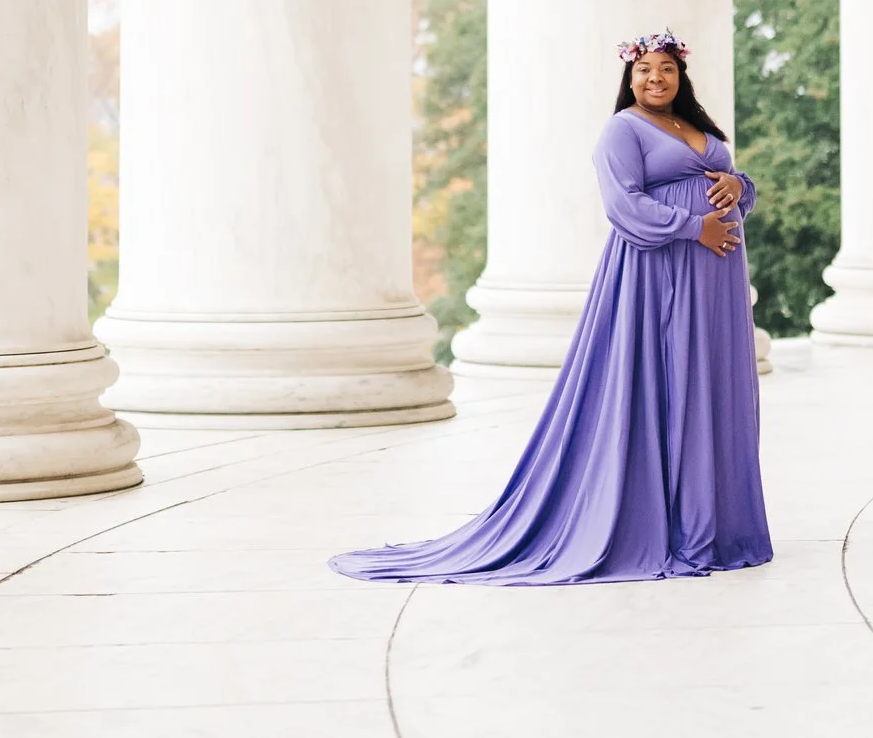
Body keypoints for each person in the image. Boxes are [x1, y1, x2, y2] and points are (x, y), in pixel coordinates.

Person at [328, 30, 773, 585]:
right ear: (628, 78)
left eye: (665, 69)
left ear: (681, 76)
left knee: (710, 385)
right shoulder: (622, 130)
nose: (655, 78)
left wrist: (737, 184)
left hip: (714, 278)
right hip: (661, 272)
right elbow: (622, 204)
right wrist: (692, 226)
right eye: (644, 70)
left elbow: (736, 185)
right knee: (669, 381)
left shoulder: (699, 129)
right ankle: (675, 524)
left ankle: (717, 525)